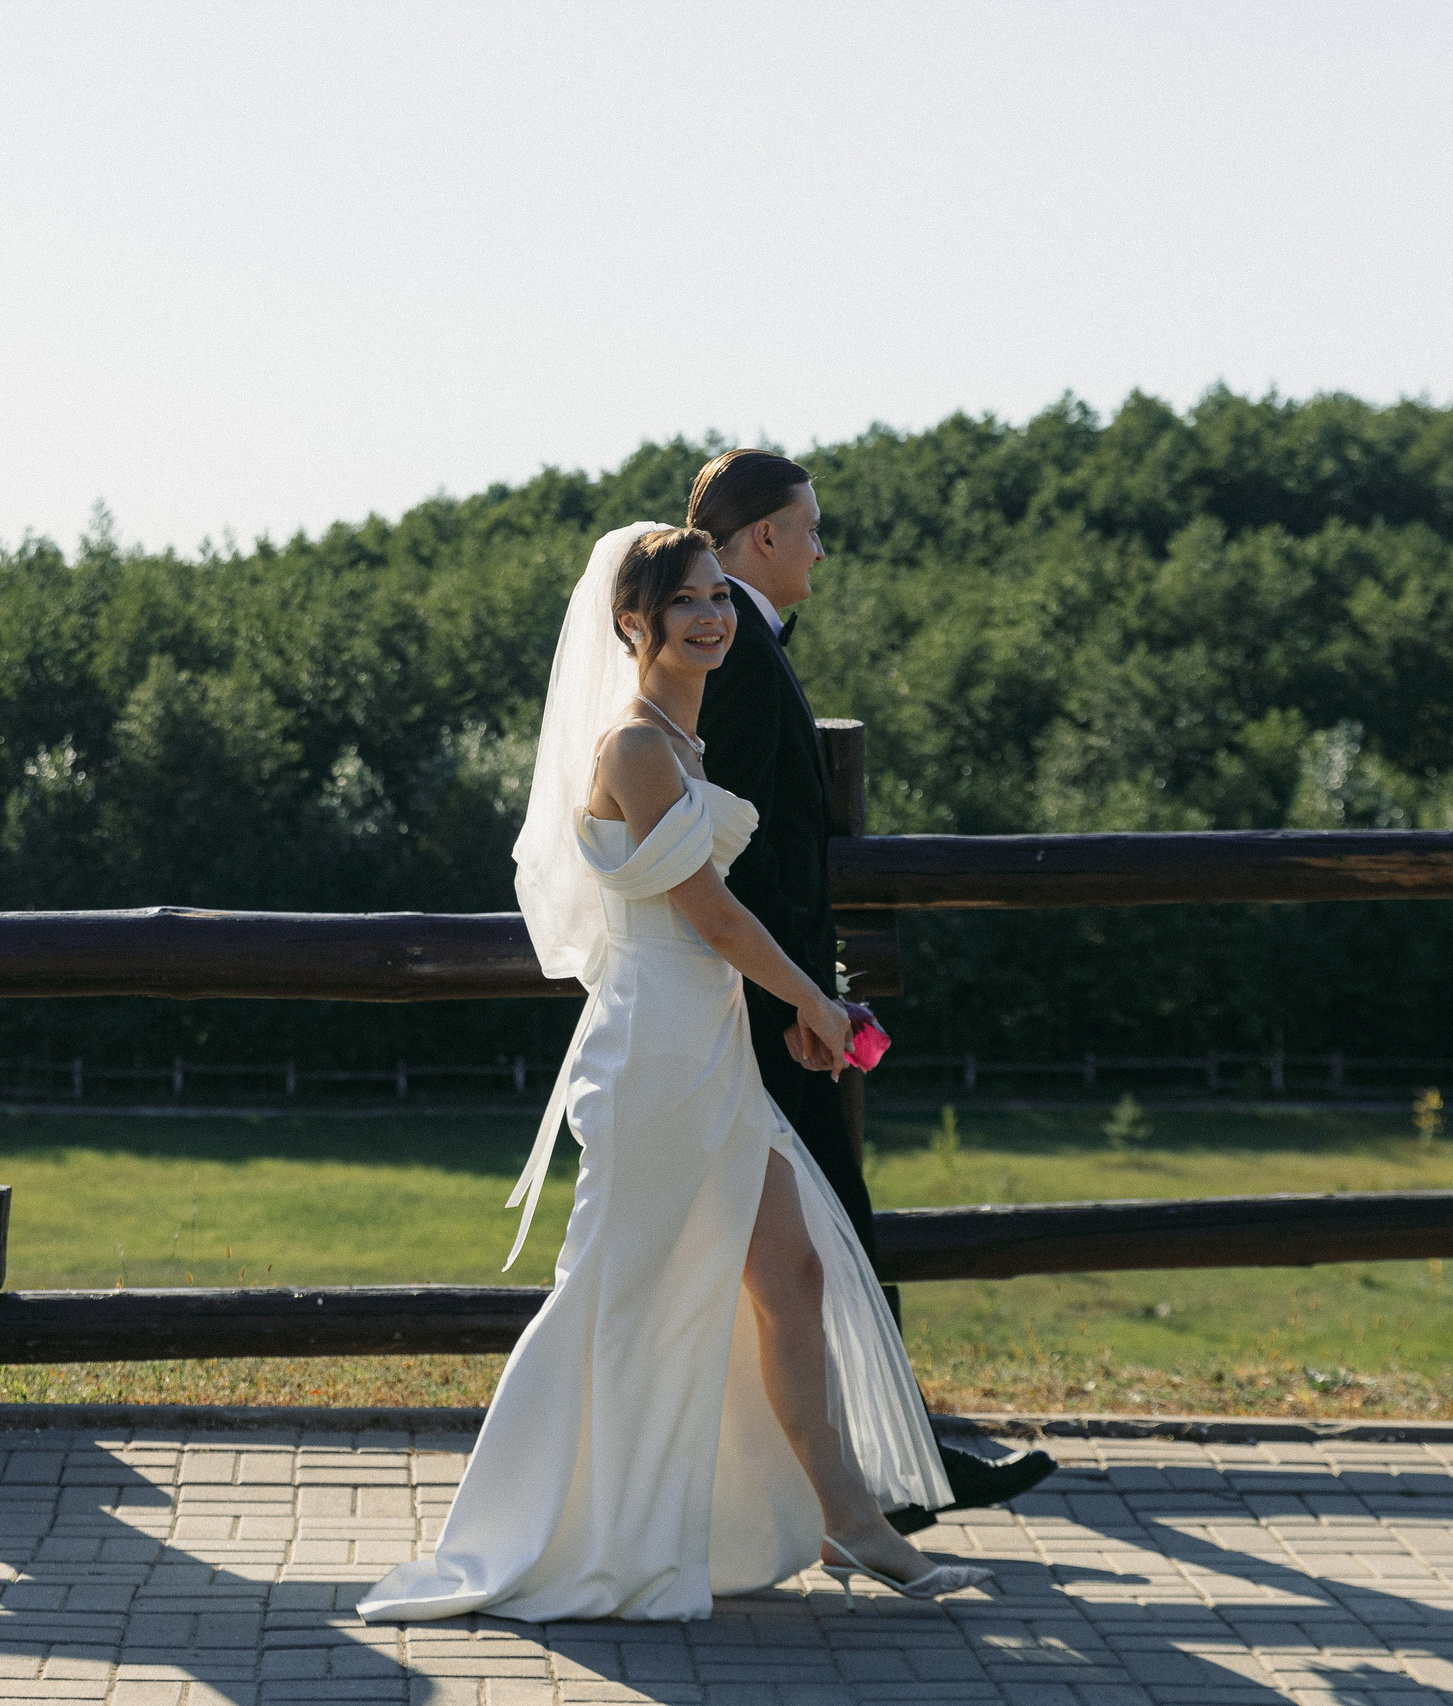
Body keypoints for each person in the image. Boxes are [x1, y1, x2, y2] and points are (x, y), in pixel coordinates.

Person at [359, 524, 993, 1623]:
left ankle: (849, 1519)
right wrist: (814, 1002)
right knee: (618, 1289)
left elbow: (715, 924)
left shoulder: (685, 743)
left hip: (709, 1038)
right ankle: (553, 1525)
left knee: (792, 1277)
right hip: (654, 1048)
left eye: (719, 598)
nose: (711, 617)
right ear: (632, 623)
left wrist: (788, 1011)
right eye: (686, 602)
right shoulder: (637, 750)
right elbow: (709, 913)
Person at [687, 447, 1056, 1523]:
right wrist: (803, 997)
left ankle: (888, 1465)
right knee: (825, 1234)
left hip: (771, 998)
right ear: (764, 535)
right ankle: (890, 1473)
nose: (820, 548)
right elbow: (737, 858)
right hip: (762, 1012)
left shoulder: (740, 641)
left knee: (819, 1238)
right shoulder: (739, 652)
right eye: (809, 528)